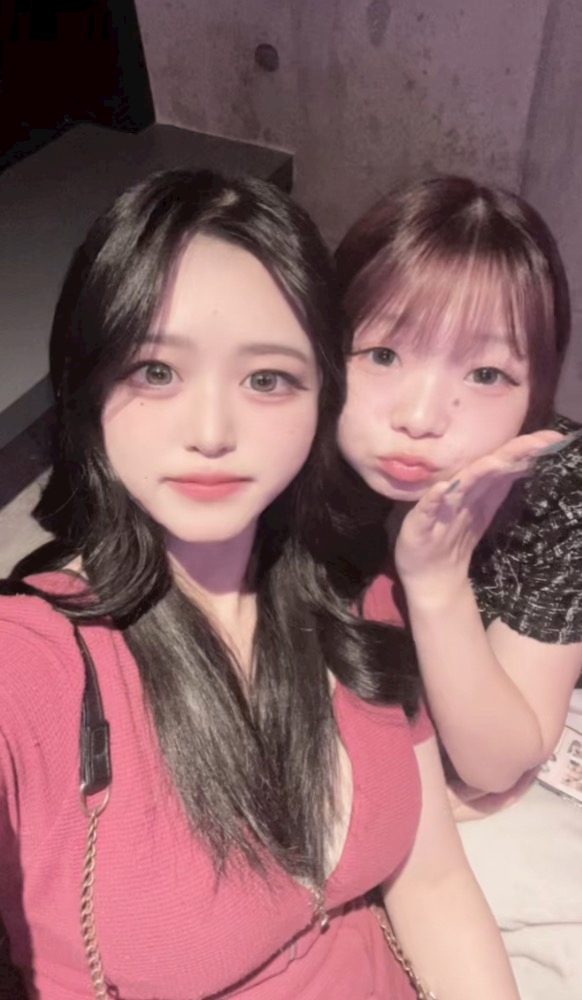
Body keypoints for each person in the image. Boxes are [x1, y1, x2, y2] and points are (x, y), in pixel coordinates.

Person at [0, 169, 520, 1000]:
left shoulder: (353, 593)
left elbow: (433, 885)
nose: (212, 432)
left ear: (322, 397)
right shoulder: (29, 667)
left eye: (267, 379)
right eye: (155, 371)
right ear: (88, 383)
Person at [334, 174, 582, 999]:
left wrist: (437, 583)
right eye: (383, 355)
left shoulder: (556, 488)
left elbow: (496, 761)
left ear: (536, 392)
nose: (421, 415)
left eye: (485, 375)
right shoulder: (293, 454)